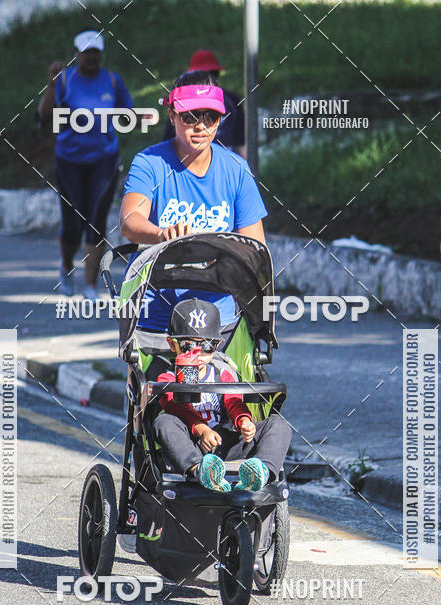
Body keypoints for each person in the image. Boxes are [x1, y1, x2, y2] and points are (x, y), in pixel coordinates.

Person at [119, 70, 266, 332]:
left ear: (220, 120)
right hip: (154, 304)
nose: (201, 126)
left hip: (216, 311)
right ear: (172, 115)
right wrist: (162, 234)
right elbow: (130, 222)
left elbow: (255, 250)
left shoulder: (237, 170)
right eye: (190, 116)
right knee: (143, 371)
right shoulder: (149, 164)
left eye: (211, 117)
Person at [153, 299, 291, 492]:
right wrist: (201, 429)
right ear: (172, 344)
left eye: (206, 345)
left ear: (217, 345)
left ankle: (260, 471)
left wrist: (243, 420)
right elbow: (173, 404)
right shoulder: (167, 376)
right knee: (164, 423)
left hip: (226, 443)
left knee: (278, 425)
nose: (197, 353)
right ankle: (200, 470)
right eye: (187, 345)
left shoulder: (222, 373)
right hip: (192, 446)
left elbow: (233, 401)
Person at [38, 30, 134, 300]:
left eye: (96, 52)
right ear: (77, 53)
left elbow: (129, 114)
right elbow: (43, 117)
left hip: (103, 160)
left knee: (96, 220)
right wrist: (50, 84)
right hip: (69, 161)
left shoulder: (113, 81)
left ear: (101, 54)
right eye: (86, 51)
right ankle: (67, 266)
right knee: (72, 224)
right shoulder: (65, 80)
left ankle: (90, 284)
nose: (91, 57)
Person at [162, 50, 246, 157]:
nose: (201, 126)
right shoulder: (181, 101)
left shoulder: (232, 100)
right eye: (190, 117)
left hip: (224, 159)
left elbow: (241, 142)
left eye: (213, 116)